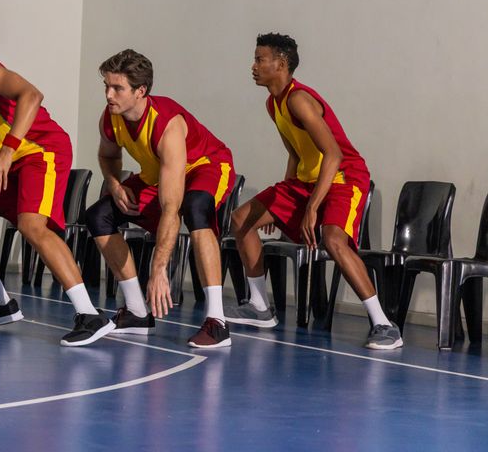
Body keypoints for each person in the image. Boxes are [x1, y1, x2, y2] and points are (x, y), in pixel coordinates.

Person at [0, 0, 114, 347]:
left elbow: (31, 95)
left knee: (33, 225)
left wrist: (7, 150)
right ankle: (0, 304)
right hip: (13, 156)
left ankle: (89, 315)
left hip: (40, 151)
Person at [226, 33, 402, 350]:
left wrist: (311, 208)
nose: (253, 66)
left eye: (259, 59)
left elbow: (333, 154)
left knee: (333, 239)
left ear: (280, 64)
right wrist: (278, 205)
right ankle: (260, 307)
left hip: (343, 177)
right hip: (306, 180)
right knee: (241, 220)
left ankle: (384, 324)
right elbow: (295, 153)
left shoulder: (298, 99)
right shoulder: (273, 103)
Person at [84, 49, 236, 348]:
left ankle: (217, 321)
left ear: (140, 91)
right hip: (158, 173)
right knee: (97, 216)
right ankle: (137, 312)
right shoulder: (111, 117)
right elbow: (107, 155)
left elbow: (171, 208)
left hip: (206, 165)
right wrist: (114, 184)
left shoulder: (166, 124)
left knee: (195, 209)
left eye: (117, 88)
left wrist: (158, 270)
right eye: (106, 86)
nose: (108, 94)